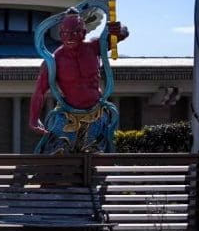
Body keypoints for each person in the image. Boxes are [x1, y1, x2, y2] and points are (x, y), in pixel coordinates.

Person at [29, 8, 128, 153]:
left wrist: (118, 30)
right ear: (60, 34)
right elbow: (39, 91)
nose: (69, 37)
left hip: (96, 111)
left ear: (83, 32)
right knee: (57, 151)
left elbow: (121, 34)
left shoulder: (94, 47)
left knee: (95, 155)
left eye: (74, 32)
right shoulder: (54, 60)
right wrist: (33, 118)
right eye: (65, 33)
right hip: (67, 112)